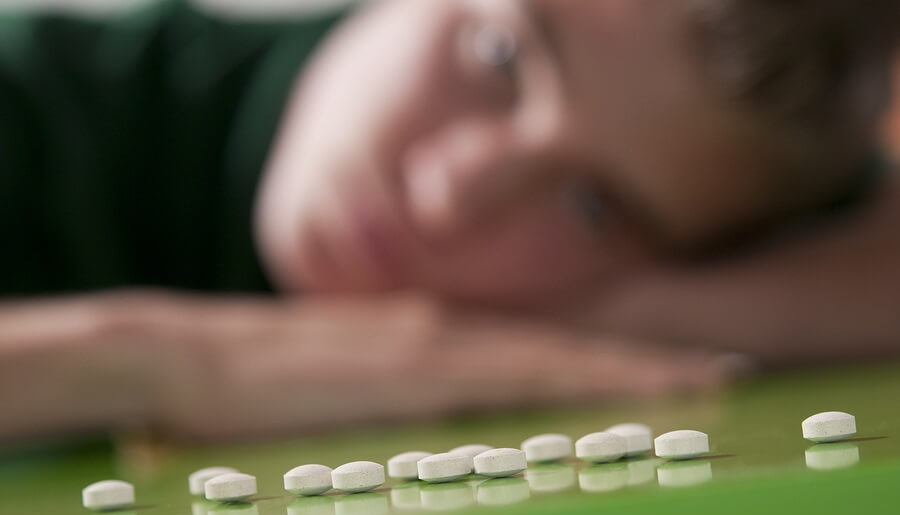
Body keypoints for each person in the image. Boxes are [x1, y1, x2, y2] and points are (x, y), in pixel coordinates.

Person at [0, 0, 898, 443]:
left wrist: (632, 320)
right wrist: (159, 360)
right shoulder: (32, 96)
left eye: (597, 209)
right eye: (499, 55)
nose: (453, 193)